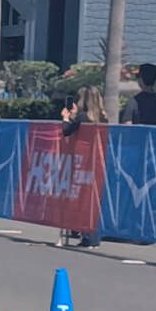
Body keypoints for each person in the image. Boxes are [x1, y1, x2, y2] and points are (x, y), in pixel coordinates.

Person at [61, 85, 108, 247]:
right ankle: (92, 234)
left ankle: (86, 234)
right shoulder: (103, 117)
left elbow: (67, 131)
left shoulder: (82, 117)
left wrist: (67, 118)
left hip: (83, 160)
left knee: (81, 198)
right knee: (93, 199)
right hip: (98, 161)